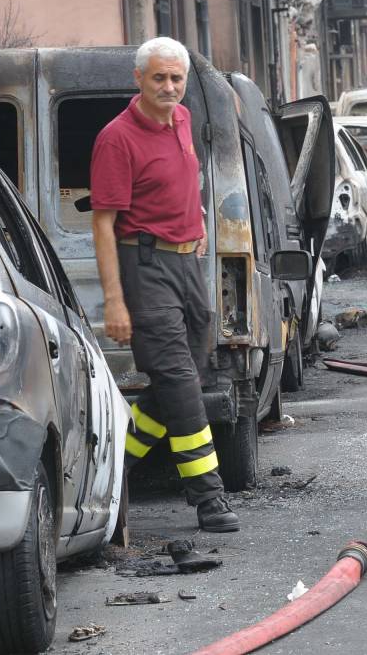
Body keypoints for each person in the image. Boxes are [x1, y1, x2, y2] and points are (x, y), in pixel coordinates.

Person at [89, 36, 239, 533]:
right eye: (159, 78)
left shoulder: (182, 120)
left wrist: (193, 219)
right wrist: (115, 301)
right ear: (139, 79)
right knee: (178, 381)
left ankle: (108, 473)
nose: (170, 87)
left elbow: (181, 181)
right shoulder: (116, 138)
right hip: (145, 267)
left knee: (181, 382)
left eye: (177, 78)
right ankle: (209, 498)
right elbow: (103, 224)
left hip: (188, 265)